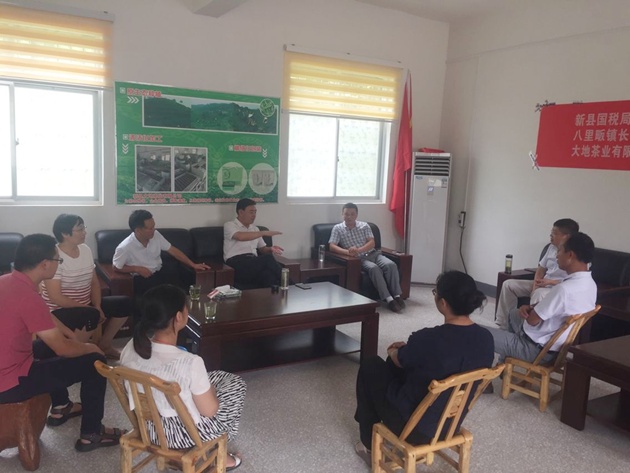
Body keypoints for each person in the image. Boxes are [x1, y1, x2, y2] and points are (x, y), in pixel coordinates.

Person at [353, 271, 493, 466]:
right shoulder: (486, 338)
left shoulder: (428, 339)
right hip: (450, 423)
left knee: (371, 365)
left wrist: (393, 350)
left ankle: (368, 445)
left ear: (443, 303)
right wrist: (410, 351)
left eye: (435, 293)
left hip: (414, 427)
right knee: (399, 368)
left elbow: (398, 360)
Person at [0, 234, 125, 452]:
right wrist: (89, 347)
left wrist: (70, 336)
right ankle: (92, 434)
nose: (59, 264)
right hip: (10, 383)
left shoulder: (7, 281)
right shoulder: (28, 296)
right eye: (58, 260)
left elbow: (45, 319)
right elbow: (63, 348)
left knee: (47, 348)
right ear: (44, 264)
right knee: (94, 362)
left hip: (10, 363)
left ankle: (62, 406)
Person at [120, 284, 246, 470]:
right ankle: (217, 453)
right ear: (179, 317)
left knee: (221, 377)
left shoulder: (131, 346)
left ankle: (193, 452)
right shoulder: (189, 362)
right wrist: (211, 392)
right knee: (237, 386)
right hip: (181, 435)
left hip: (147, 426)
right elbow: (209, 411)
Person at [487, 232, 597, 365]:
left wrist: (532, 311)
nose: (556, 255)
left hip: (535, 349)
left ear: (570, 255)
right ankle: (502, 365)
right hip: (554, 347)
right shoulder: (590, 285)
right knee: (513, 313)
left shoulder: (564, 290)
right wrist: (531, 307)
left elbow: (532, 320)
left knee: (477, 333)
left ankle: (491, 372)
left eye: (560, 250)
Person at [40, 214, 131, 360]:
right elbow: (56, 298)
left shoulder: (85, 249)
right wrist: (90, 309)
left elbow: (94, 282)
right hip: (58, 311)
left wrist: (97, 305)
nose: (84, 232)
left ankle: (105, 344)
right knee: (91, 315)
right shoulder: (55, 256)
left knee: (124, 303)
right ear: (65, 234)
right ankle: (75, 353)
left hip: (85, 305)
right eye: (80, 229)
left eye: (84, 228)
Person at [495, 218, 579, 329]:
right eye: (551, 232)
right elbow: (541, 269)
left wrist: (550, 282)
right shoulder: (551, 247)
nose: (550, 235)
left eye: (554, 233)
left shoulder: (577, 254)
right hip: (543, 284)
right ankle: (504, 324)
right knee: (509, 284)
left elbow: (575, 282)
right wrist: (536, 285)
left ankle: (526, 330)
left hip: (556, 289)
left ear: (566, 236)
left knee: (539, 293)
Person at [113, 210, 210, 296]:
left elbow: (172, 250)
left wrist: (193, 265)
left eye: (154, 226)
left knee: (184, 284)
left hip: (160, 271)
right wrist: (137, 269)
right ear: (138, 230)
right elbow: (116, 267)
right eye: (150, 228)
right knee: (163, 295)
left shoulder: (156, 235)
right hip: (142, 278)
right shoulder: (125, 247)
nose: (154, 230)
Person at [329, 202, 404, 312]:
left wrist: (359, 249)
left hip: (374, 254)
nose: (349, 217)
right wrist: (347, 252)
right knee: (374, 269)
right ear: (342, 214)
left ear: (356, 215)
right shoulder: (338, 228)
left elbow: (372, 243)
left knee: (391, 265)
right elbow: (332, 246)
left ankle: (397, 296)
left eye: (352, 214)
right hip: (359, 259)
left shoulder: (364, 226)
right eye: (346, 214)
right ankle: (389, 299)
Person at [223, 198, 284, 288]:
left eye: (255, 212)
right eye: (251, 212)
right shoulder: (230, 225)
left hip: (253, 262)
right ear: (241, 212)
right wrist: (263, 233)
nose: (254, 215)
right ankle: (292, 284)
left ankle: (280, 295)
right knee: (268, 259)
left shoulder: (255, 229)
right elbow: (240, 237)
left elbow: (262, 249)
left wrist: (270, 249)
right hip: (236, 264)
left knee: (268, 275)